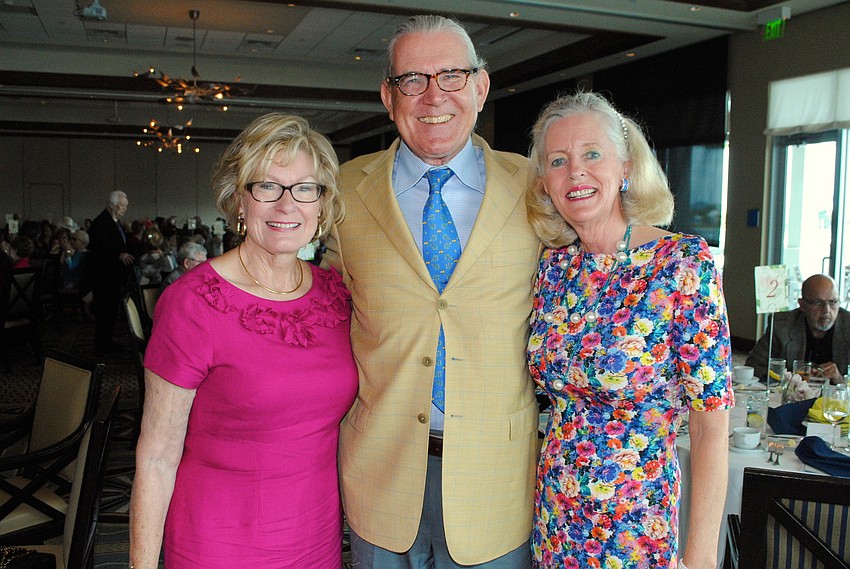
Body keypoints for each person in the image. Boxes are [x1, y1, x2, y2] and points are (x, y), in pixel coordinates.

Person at [323, 14, 541, 569]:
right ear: (388, 96)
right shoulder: (344, 190)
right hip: (380, 472)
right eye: (412, 80)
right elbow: (313, 302)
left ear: (481, 86)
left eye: (451, 75)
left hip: (499, 479)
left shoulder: (538, 188)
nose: (432, 95)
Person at [129, 113, 355, 569]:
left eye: (305, 188)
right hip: (219, 541)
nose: (287, 204)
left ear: (322, 204)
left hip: (316, 537)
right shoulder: (192, 303)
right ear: (238, 199)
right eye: (267, 186)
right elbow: (155, 458)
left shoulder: (337, 295)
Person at [525, 92, 732, 569]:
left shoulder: (681, 264)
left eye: (591, 154)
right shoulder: (553, 268)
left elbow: (709, 427)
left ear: (626, 166)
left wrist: (699, 559)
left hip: (637, 529)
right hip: (555, 522)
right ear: (546, 184)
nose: (575, 171)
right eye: (558, 161)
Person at [746, 274, 850, 384]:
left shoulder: (847, 326)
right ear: (802, 305)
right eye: (818, 303)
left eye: (833, 302)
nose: (826, 310)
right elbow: (753, 365)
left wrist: (840, 379)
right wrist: (791, 377)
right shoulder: (782, 326)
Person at [87, 190, 133, 356]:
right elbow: (98, 250)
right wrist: (118, 255)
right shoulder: (101, 223)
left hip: (113, 277)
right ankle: (101, 346)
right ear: (113, 205)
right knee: (104, 312)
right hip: (104, 278)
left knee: (111, 312)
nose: (125, 209)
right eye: (123, 205)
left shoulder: (114, 221)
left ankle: (107, 342)